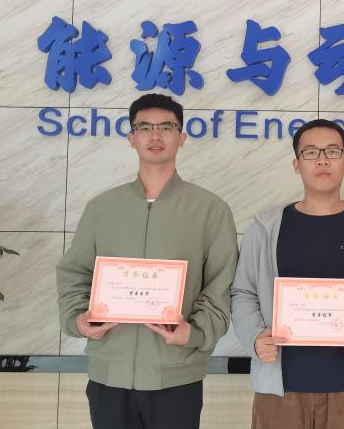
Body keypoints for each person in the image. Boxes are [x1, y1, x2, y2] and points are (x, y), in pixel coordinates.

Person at [56, 93, 237, 429]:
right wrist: (77, 321)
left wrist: (194, 332)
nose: (156, 135)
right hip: (109, 374)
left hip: (176, 376)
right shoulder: (102, 208)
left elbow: (221, 285)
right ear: (131, 137)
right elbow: (74, 273)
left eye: (166, 127)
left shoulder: (210, 210)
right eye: (145, 127)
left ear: (182, 137)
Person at [230, 119, 344, 429]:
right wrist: (254, 337)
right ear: (296, 164)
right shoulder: (265, 228)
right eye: (310, 152)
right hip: (279, 388)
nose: (322, 160)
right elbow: (243, 292)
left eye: (332, 151)